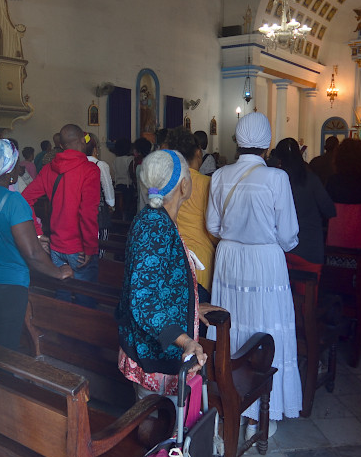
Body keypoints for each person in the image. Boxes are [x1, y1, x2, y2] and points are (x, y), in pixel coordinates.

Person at [206, 112, 301, 431]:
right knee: (266, 327)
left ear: (238, 141)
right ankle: (262, 412)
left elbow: (212, 226)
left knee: (232, 326)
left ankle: (227, 400)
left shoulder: (220, 176)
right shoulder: (277, 178)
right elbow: (288, 237)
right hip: (265, 262)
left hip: (230, 258)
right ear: (267, 143)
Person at [117, 150, 212, 397]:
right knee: (161, 424)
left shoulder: (157, 219)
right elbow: (144, 302)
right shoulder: (155, 227)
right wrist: (186, 341)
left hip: (158, 343)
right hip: (155, 351)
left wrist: (191, 306)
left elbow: (162, 280)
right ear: (183, 186)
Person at [0, 139, 73, 350]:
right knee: (6, 346)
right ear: (7, 170)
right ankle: (4, 382)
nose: (20, 167)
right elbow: (32, 253)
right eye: (16, 164)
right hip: (10, 286)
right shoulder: (13, 201)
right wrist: (58, 272)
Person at [22, 124, 102, 291]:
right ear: (82, 140)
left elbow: (25, 199)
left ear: (62, 146)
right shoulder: (90, 170)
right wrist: (90, 246)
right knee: (85, 299)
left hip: (56, 246)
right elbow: (88, 212)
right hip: (79, 248)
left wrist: (37, 232)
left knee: (63, 296)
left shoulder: (48, 169)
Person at [270, 137, 335, 276]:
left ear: (279, 158)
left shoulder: (273, 180)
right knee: (308, 295)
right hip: (309, 248)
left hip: (280, 250)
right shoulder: (310, 179)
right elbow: (329, 210)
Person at [166, 127, 217, 300]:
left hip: (170, 256)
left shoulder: (165, 183)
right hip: (199, 261)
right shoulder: (206, 183)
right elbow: (213, 229)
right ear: (198, 152)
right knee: (199, 319)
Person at [326, 139, 361, 252]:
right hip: (359, 236)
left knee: (336, 268)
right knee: (360, 269)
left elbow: (327, 210)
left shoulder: (333, 180)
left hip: (337, 236)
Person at [84, 132, 114, 240]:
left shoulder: (78, 163)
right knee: (100, 241)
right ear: (95, 149)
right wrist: (111, 204)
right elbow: (107, 187)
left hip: (82, 209)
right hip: (99, 209)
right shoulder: (100, 165)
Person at [111, 137, 135, 220]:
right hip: (128, 186)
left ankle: (120, 221)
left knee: (119, 208)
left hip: (117, 185)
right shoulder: (130, 159)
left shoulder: (115, 160)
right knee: (128, 207)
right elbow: (131, 173)